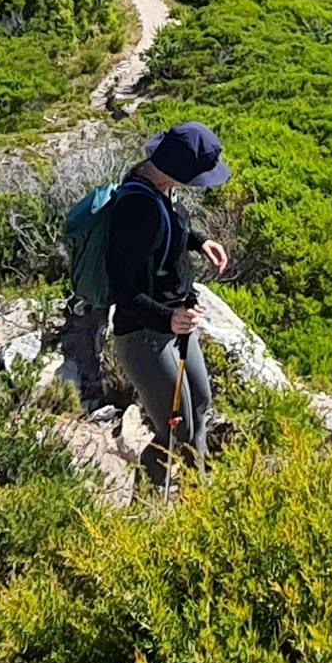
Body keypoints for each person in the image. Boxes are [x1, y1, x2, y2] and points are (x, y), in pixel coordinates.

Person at [100, 123, 235, 481]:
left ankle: (197, 489)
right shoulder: (137, 209)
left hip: (175, 322)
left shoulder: (161, 186)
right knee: (177, 431)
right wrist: (167, 318)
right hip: (144, 334)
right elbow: (122, 289)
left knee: (201, 402)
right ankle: (149, 505)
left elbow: (170, 229)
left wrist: (199, 241)